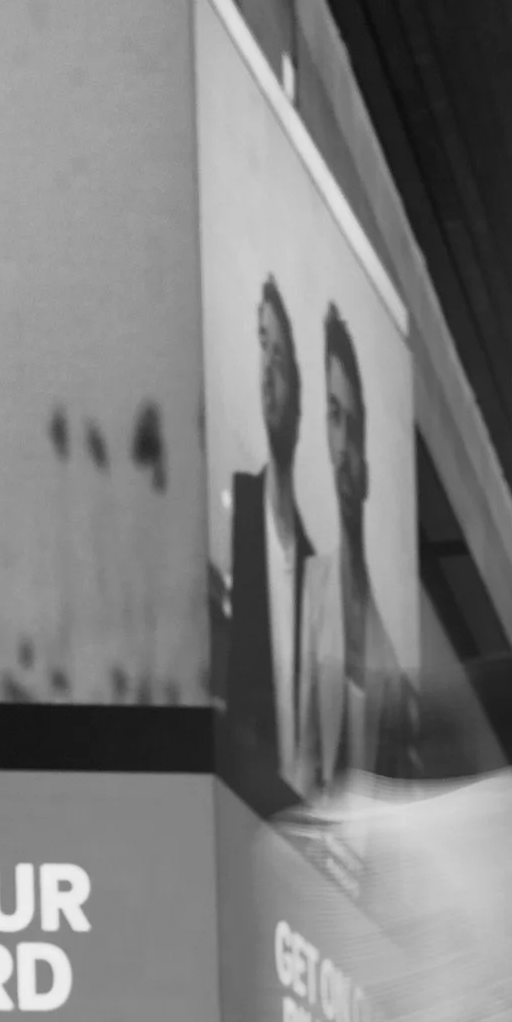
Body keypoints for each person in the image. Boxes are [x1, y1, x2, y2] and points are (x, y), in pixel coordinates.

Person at [218, 278, 315, 811]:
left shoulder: (313, 569)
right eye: (262, 348)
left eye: (280, 355)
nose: (268, 371)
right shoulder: (235, 513)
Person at [308, 306, 414, 789]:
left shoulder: (392, 673)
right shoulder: (304, 596)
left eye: (352, 422)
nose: (344, 443)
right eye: (333, 417)